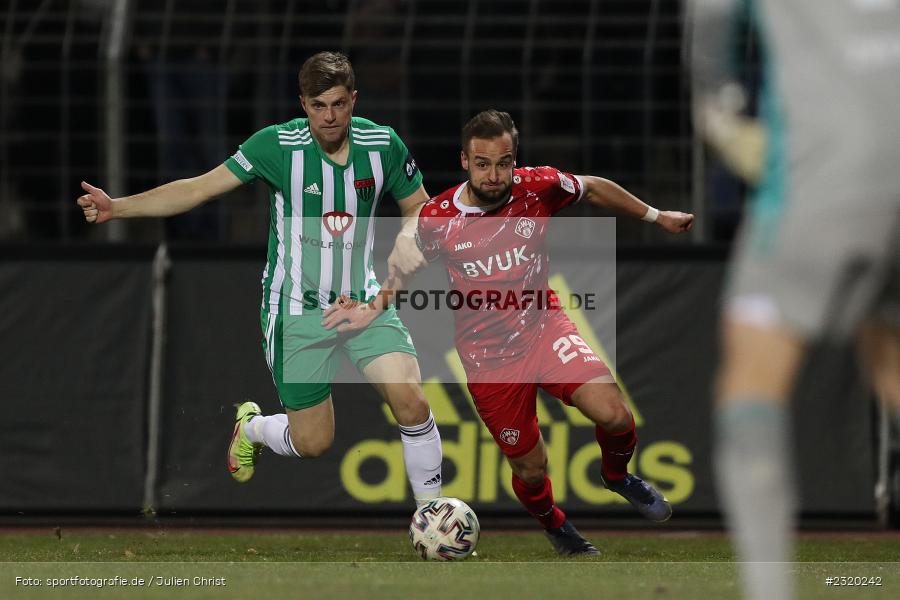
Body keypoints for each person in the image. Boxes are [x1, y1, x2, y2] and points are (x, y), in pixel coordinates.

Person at [76, 51, 444, 508]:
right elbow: (198, 188)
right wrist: (119, 206)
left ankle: (433, 516)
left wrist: (409, 239)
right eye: (317, 106)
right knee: (314, 443)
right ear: (302, 104)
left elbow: (417, 207)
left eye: (338, 104)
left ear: (354, 100)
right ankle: (251, 427)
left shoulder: (383, 145)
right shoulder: (275, 146)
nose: (329, 117)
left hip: (363, 301)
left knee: (411, 402)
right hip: (293, 310)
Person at [325, 110, 694, 554]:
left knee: (614, 414)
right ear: (464, 161)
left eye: (504, 163)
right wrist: (371, 309)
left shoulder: (538, 187)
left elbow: (593, 186)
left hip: (543, 326)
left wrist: (658, 216)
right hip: (488, 360)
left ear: (514, 160)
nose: (494, 174)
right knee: (531, 468)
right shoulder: (440, 218)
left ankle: (617, 476)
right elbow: (401, 274)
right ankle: (558, 528)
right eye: (483, 164)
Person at [690, 1, 900, 598]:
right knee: (888, 351)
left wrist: (720, 107)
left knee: (750, 382)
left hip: (828, 180)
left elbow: (709, 16)